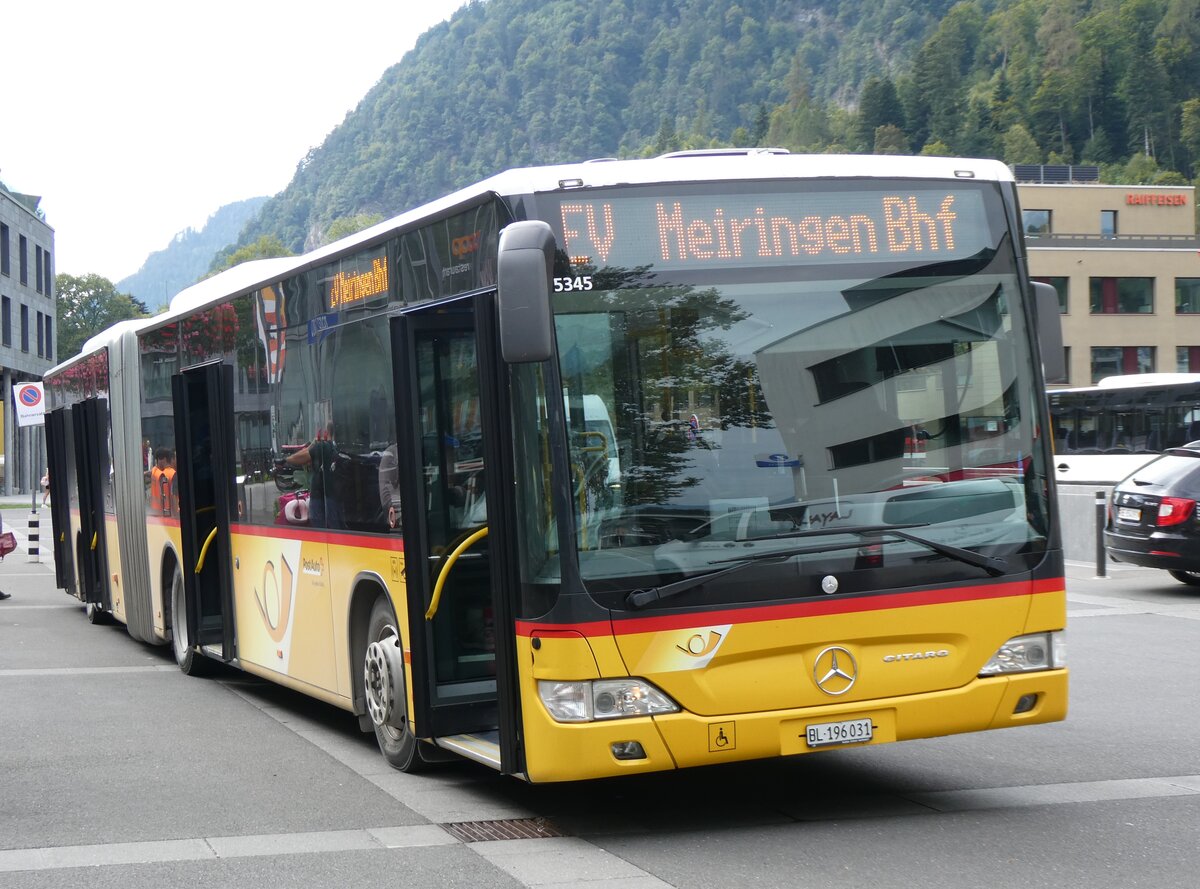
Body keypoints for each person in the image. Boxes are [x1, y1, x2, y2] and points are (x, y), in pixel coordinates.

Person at [286, 423, 340, 528]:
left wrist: (313, 444)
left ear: (325, 432)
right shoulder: (335, 447)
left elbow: (295, 459)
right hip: (334, 495)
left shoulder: (323, 446)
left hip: (320, 496)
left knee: (319, 528)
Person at [149, 447, 176, 516]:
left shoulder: (154, 471)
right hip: (165, 511)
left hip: (155, 510)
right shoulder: (169, 474)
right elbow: (172, 496)